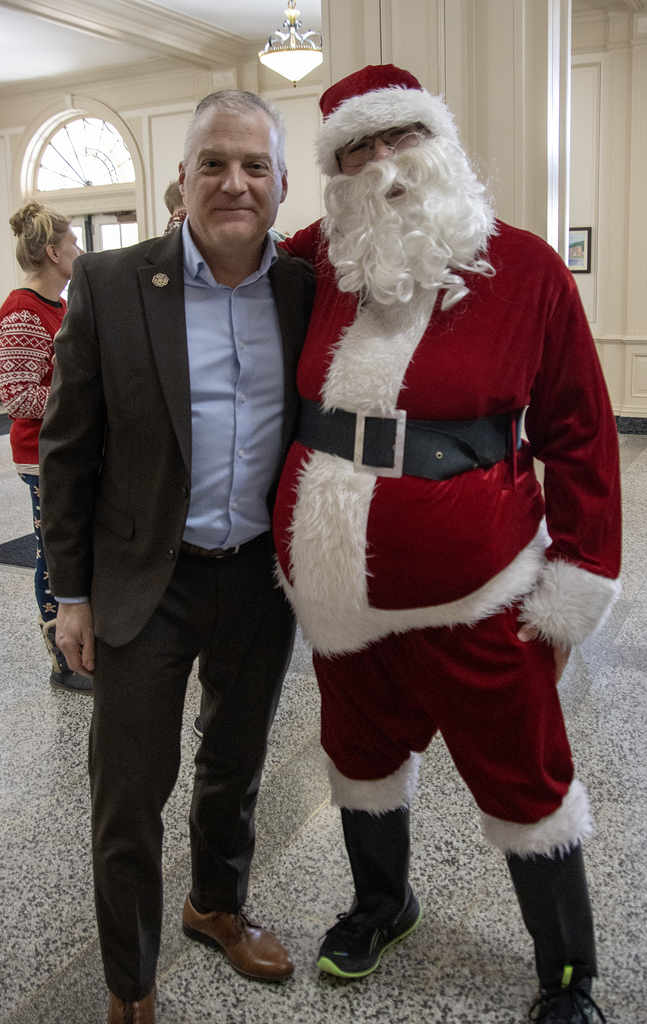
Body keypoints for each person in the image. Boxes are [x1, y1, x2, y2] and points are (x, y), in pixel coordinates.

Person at [273, 65, 620, 1024]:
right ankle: (382, 904)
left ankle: (566, 973)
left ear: (441, 143)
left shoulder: (526, 269)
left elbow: (581, 437)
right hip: (340, 600)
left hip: (482, 596)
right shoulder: (311, 265)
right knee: (358, 756)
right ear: (335, 172)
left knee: (525, 778)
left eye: (401, 137)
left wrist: (575, 582)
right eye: (356, 148)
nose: (382, 164)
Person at [39, 90, 315, 1024]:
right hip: (142, 581)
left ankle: (216, 905)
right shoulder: (113, 286)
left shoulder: (305, 293)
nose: (233, 182)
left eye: (252, 166)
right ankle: (130, 985)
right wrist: (69, 595)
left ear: (281, 183)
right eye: (213, 163)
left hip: (255, 581)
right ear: (181, 180)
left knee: (234, 763)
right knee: (128, 794)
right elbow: (69, 452)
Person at [0, 202, 90, 694]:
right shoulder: (21, 308)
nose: (79, 248)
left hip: (65, 445)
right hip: (40, 453)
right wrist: (78, 396)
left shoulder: (59, 305)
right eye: (73, 241)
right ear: (53, 251)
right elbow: (16, 394)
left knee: (71, 548)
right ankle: (63, 662)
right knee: (53, 553)